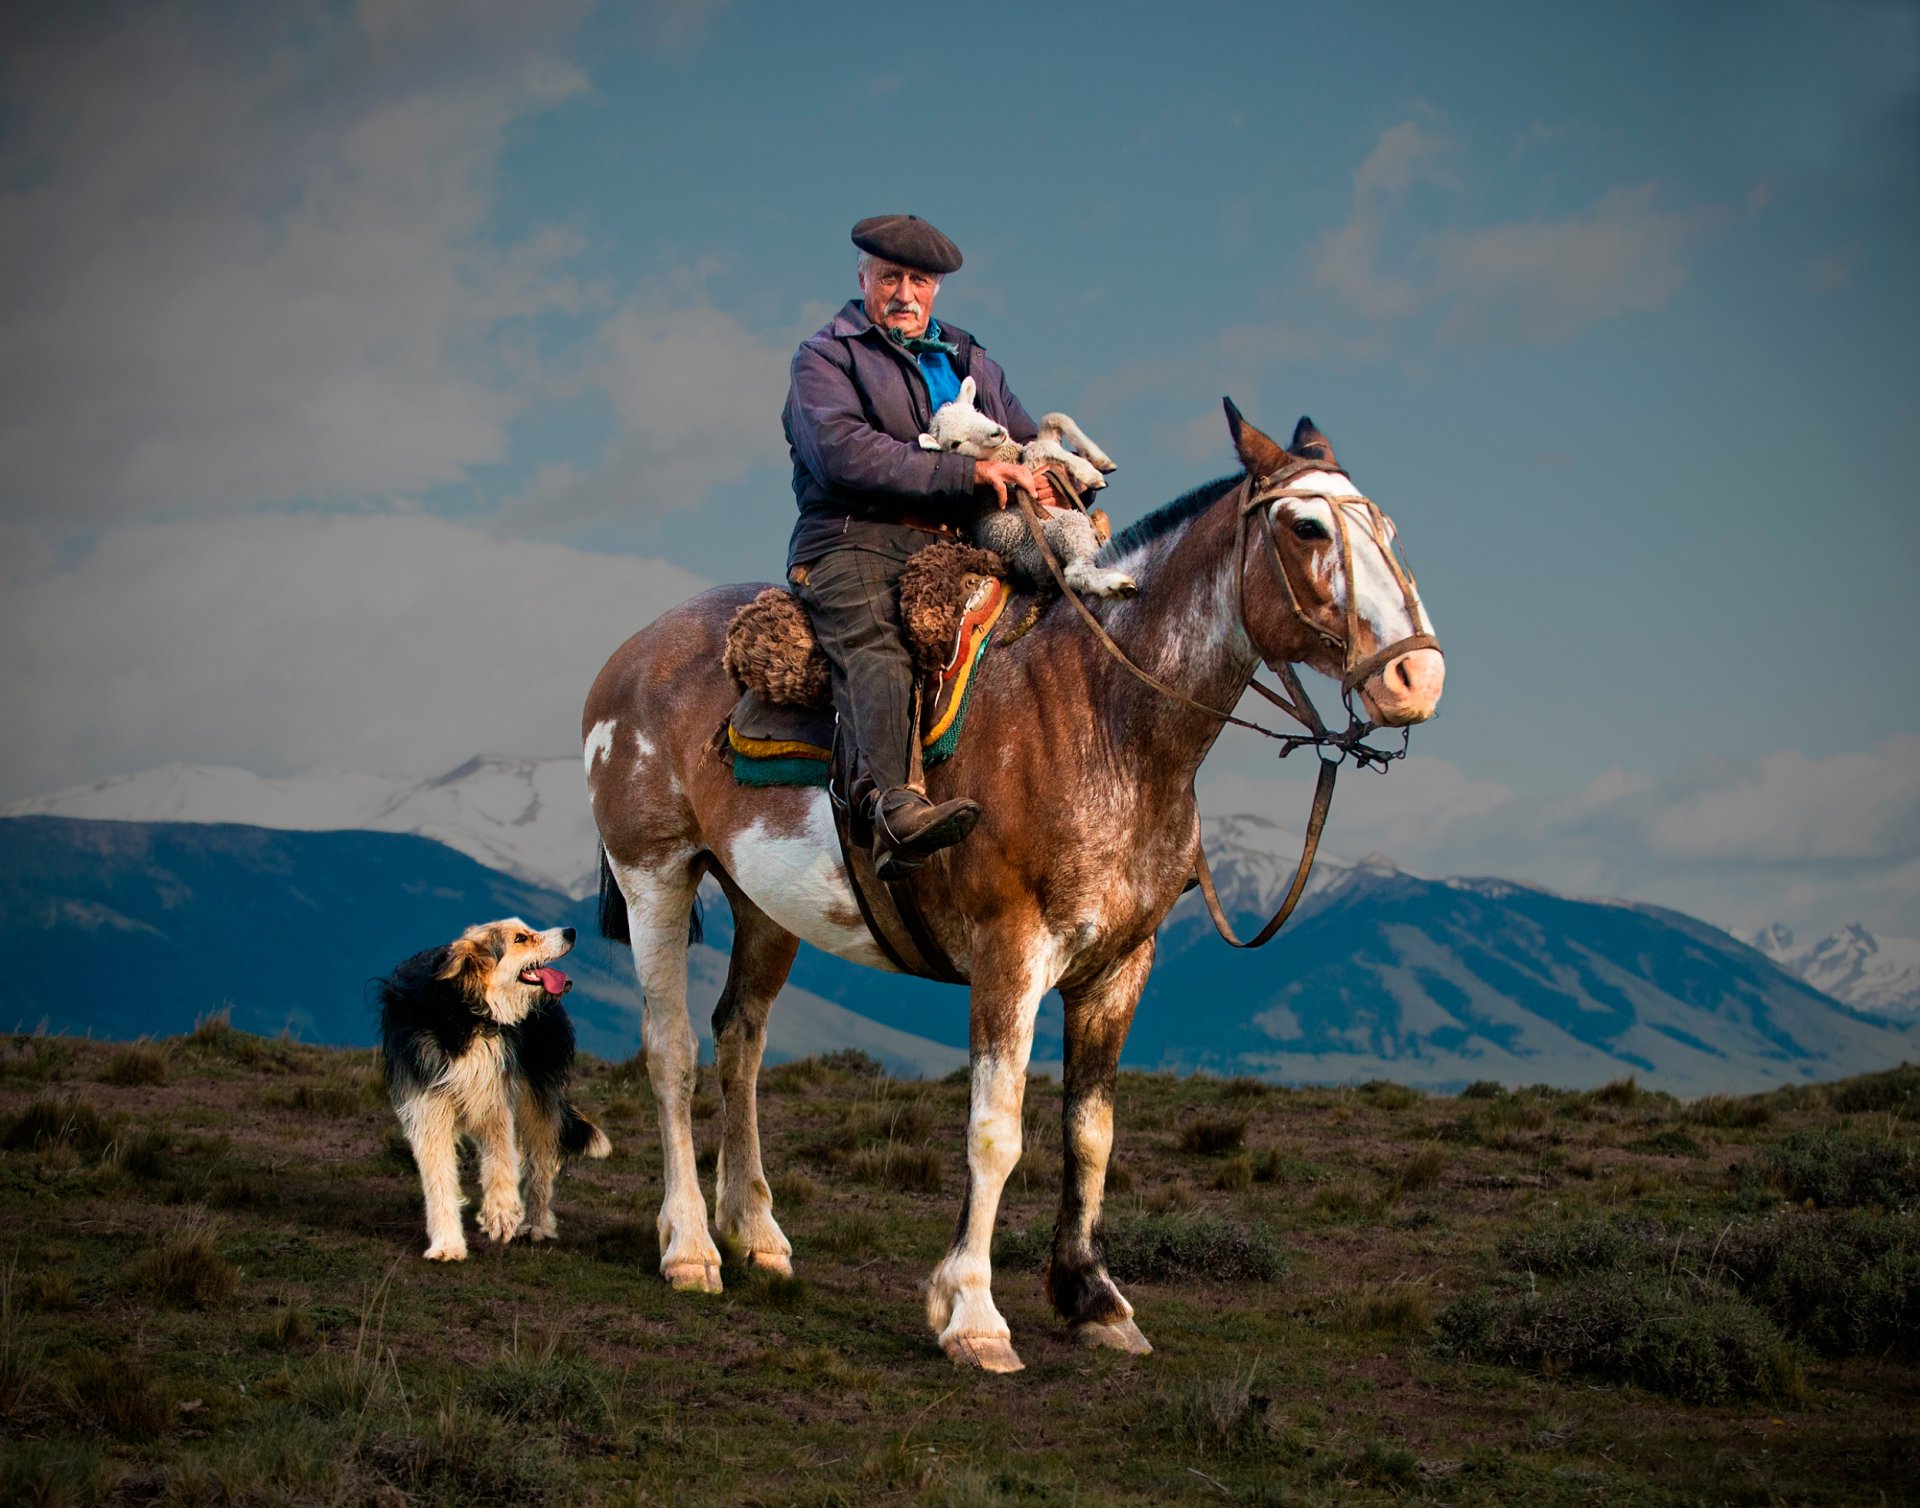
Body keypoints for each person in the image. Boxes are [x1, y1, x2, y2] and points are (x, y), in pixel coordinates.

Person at [783, 214, 1053, 880]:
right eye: (891, 277)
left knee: (1075, 617)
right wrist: (969, 474)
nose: (905, 293)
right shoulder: (825, 357)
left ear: (936, 289)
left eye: (920, 281)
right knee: (879, 639)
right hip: (854, 538)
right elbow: (842, 453)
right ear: (863, 278)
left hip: (964, 542)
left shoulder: (969, 357)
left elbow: (1020, 436)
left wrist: (1054, 478)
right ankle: (891, 807)